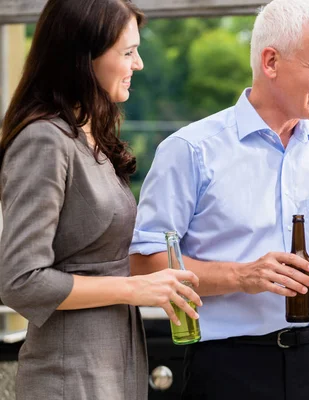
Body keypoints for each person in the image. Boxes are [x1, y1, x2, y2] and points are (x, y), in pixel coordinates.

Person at [129, 0, 309, 398]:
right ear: (271, 62)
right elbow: (144, 264)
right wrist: (242, 276)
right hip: (225, 367)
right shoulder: (190, 149)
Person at [0, 1, 201, 399]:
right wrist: (133, 288)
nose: (138, 64)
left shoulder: (89, 136)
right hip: (69, 375)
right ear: (82, 57)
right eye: (128, 52)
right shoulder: (44, 140)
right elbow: (20, 282)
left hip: (115, 363)